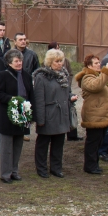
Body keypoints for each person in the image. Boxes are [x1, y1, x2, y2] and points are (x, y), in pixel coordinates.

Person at [31, 49, 74, 179]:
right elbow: (39, 99)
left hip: (62, 114)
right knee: (43, 143)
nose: (60, 64)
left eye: (61, 61)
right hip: (49, 114)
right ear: (50, 62)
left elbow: (67, 92)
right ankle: (41, 168)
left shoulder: (64, 75)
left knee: (58, 143)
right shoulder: (41, 77)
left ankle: (56, 168)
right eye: (57, 61)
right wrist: (40, 119)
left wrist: (71, 97)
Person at [0, 49, 33, 183]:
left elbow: (30, 95)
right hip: (7, 116)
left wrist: (30, 112)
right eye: (16, 61)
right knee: (6, 147)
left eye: (20, 61)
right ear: (9, 62)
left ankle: (14, 171)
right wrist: (13, 99)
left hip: (22, 115)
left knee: (18, 145)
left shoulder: (26, 76)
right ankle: (5, 173)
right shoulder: (3, 75)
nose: (19, 63)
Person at [74, 55, 108, 175]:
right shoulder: (87, 78)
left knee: (99, 141)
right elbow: (96, 86)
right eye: (96, 63)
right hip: (94, 116)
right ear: (89, 65)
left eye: (99, 62)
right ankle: (90, 166)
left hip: (103, 116)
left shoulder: (99, 76)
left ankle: (94, 164)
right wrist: (107, 71)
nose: (99, 64)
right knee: (93, 142)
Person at [47, 41, 81, 142]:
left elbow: (70, 73)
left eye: (59, 47)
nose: (58, 49)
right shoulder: (44, 70)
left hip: (66, 88)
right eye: (56, 48)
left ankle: (72, 134)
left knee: (70, 110)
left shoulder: (65, 61)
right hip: (53, 99)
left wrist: (67, 84)